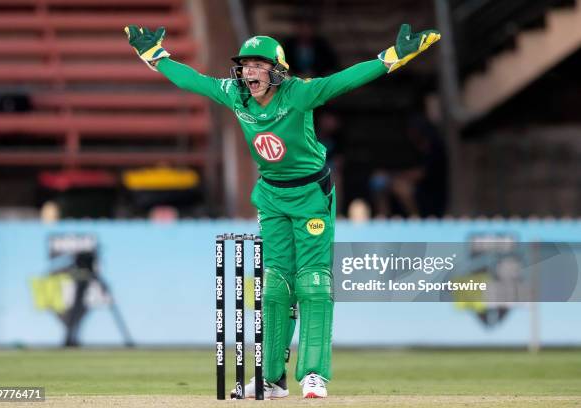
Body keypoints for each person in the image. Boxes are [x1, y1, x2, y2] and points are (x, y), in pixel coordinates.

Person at [125, 23, 440, 399]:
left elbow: (347, 79)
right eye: (245, 66)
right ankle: (270, 379)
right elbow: (192, 80)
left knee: (313, 283)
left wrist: (393, 56)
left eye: (258, 66)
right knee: (274, 287)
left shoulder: (300, 93)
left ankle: (313, 375)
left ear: (277, 70)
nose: (249, 73)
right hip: (272, 196)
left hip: (311, 195)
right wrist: (155, 56)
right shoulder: (234, 94)